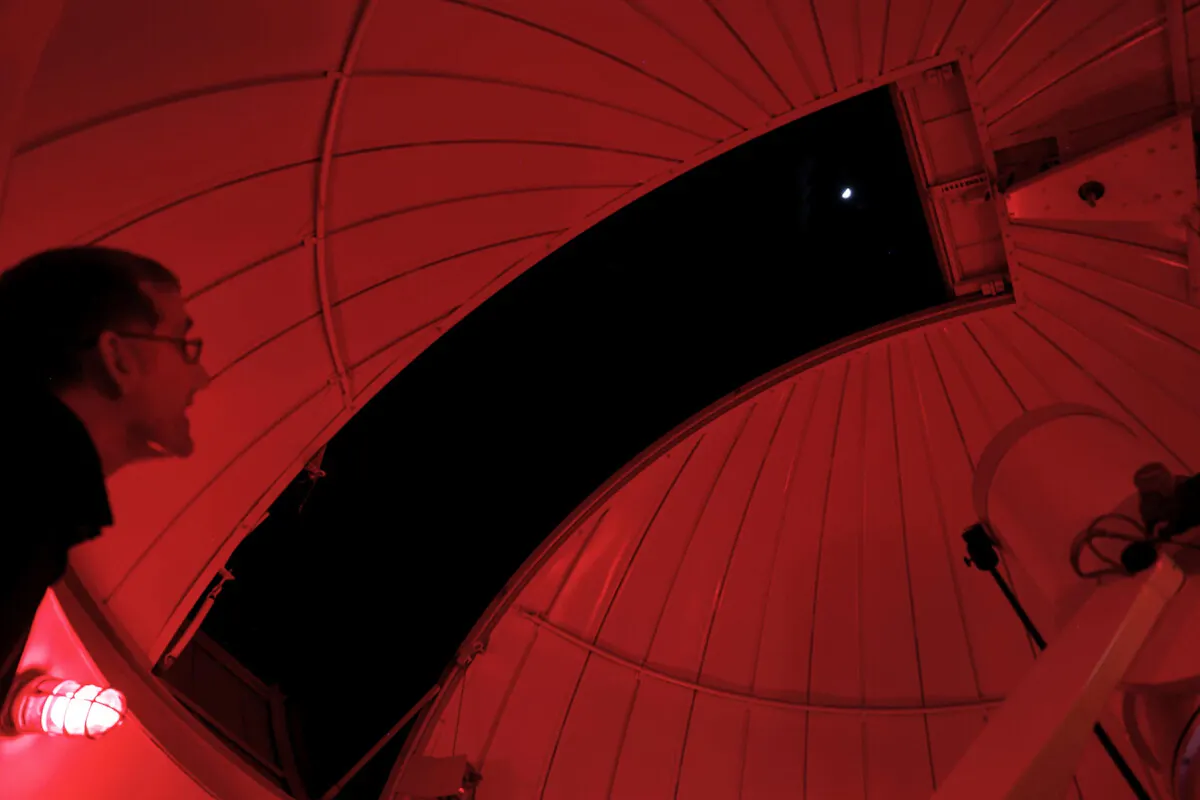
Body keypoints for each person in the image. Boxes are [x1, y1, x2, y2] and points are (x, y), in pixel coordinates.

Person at [0, 246, 211, 704]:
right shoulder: (19, 510)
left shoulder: (34, 501)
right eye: (182, 345)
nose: (202, 377)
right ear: (118, 358)